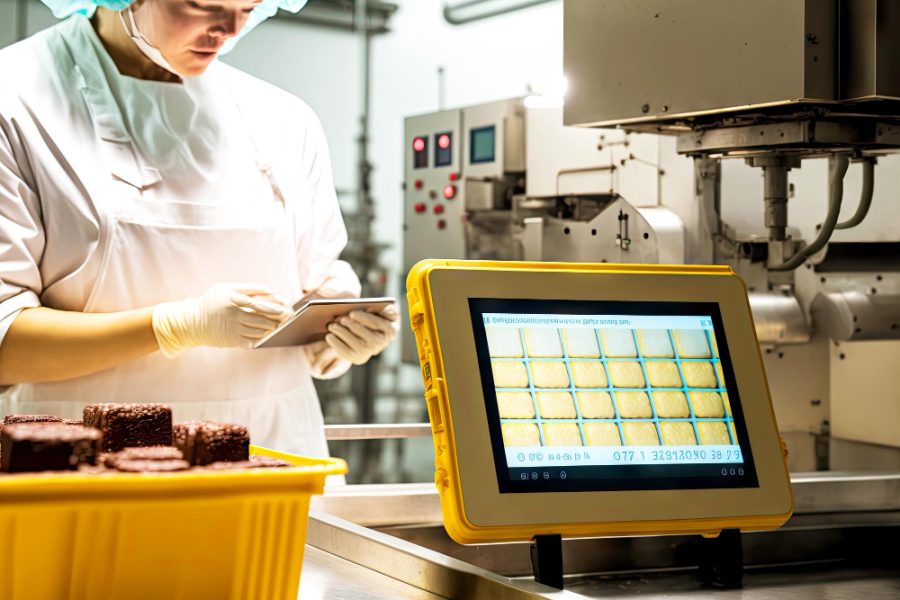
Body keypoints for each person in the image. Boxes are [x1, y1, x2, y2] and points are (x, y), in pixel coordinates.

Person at [0, 0, 398, 457]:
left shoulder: (284, 119)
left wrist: (336, 331)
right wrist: (173, 326)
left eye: (248, 6)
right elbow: (5, 342)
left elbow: (312, 284)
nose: (229, 29)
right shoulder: (16, 98)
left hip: (275, 465)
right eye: (201, 5)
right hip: (80, 473)